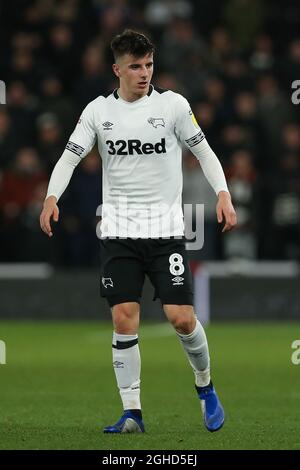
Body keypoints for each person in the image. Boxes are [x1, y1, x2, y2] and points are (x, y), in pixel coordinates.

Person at [40, 29, 237, 434]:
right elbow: (69, 156)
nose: (144, 73)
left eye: (149, 65)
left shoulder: (174, 106)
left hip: (165, 232)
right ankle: (133, 412)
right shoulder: (98, 112)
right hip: (118, 232)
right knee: (124, 318)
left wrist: (223, 193)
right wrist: (50, 197)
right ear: (117, 70)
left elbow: (204, 151)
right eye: (135, 66)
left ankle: (205, 387)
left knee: (181, 318)